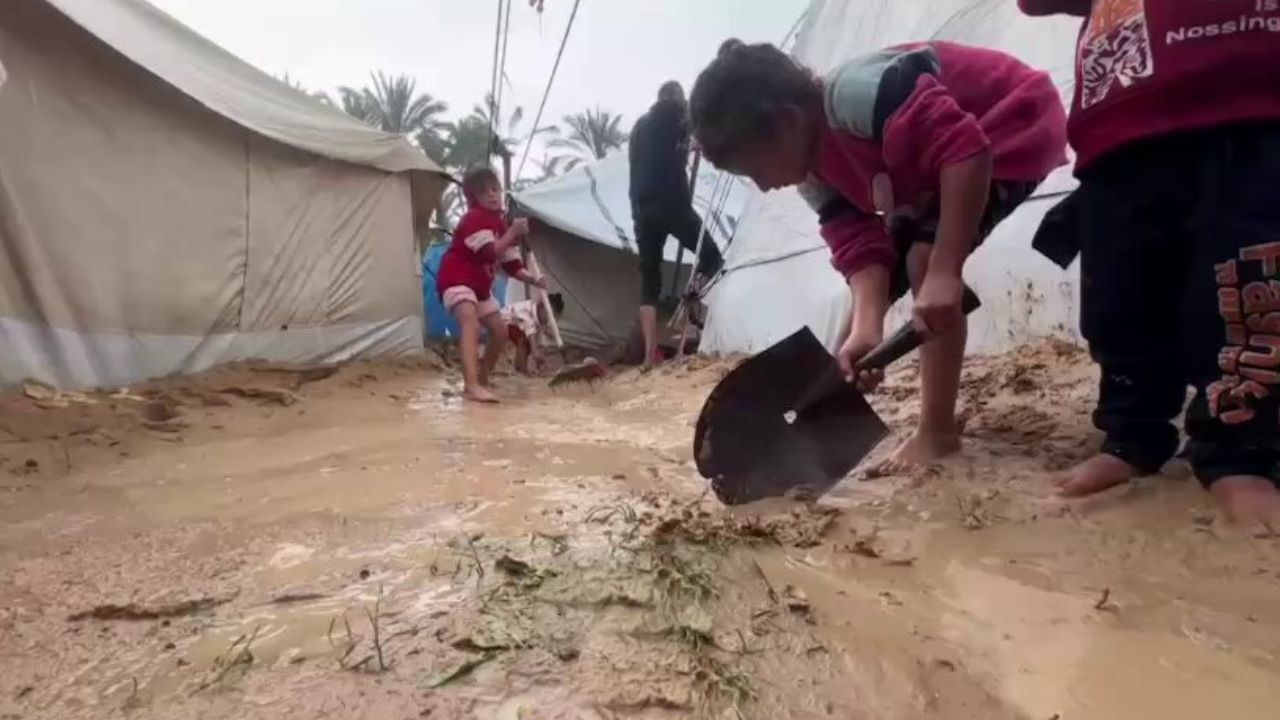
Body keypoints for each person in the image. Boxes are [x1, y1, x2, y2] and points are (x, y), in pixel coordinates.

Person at [689, 40, 1067, 468]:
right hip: (940, 168)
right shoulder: (812, 175)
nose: (761, 186)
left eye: (757, 169)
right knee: (857, 322)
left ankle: (938, 433)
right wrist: (866, 329)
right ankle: (834, 398)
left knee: (924, 260)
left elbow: (964, 150)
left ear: (788, 121)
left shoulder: (858, 95)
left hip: (1013, 121)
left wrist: (945, 270)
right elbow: (862, 250)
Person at [1020, 0, 1280, 528]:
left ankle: (1239, 451)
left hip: (1252, 92)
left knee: (1244, 285)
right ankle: (1130, 435)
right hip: (1119, 115)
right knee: (1120, 298)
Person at [629, 80, 724, 368]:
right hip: (672, 204)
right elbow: (701, 129)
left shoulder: (639, 127)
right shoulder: (677, 113)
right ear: (677, 98)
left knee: (649, 280)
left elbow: (655, 155)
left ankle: (649, 355)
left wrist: (684, 150)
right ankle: (688, 309)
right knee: (712, 257)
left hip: (642, 208)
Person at [437, 167, 546, 403]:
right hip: (456, 279)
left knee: (500, 331)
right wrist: (512, 233)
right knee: (470, 322)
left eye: (495, 189)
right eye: (484, 192)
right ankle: (471, 385)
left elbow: (511, 264)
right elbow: (489, 253)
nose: (492, 195)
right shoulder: (473, 219)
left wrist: (532, 279)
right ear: (473, 197)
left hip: (479, 287)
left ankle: (483, 376)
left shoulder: (500, 225)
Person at [502, 292, 564, 376]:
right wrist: (535, 351)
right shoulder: (527, 309)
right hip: (503, 323)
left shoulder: (540, 320)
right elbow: (529, 327)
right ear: (541, 306)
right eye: (549, 316)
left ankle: (521, 366)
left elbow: (536, 334)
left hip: (516, 328)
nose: (549, 320)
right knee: (523, 339)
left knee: (529, 344)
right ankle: (521, 369)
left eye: (553, 318)